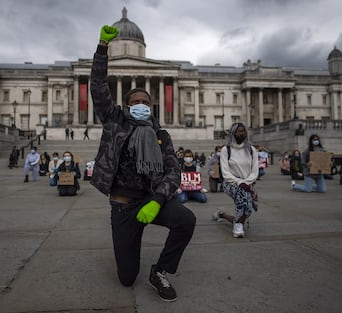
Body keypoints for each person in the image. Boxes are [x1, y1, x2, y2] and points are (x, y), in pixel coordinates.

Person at [89, 25, 196, 303]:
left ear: (152, 106)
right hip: (124, 206)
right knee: (126, 278)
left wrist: (158, 199)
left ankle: (160, 270)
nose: (140, 104)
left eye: (144, 101)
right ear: (126, 105)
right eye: (134, 101)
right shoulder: (115, 122)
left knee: (186, 220)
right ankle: (131, 246)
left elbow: (174, 170)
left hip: (151, 201)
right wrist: (103, 47)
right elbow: (100, 88)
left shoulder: (161, 134)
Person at [212, 122, 259, 238]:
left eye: (243, 131)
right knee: (243, 198)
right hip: (230, 183)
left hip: (247, 183)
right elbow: (225, 173)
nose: (241, 133)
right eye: (239, 131)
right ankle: (238, 225)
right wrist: (240, 183)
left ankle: (222, 215)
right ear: (233, 133)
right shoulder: (226, 150)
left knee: (246, 209)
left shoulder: (252, 150)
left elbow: (255, 171)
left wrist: (246, 183)